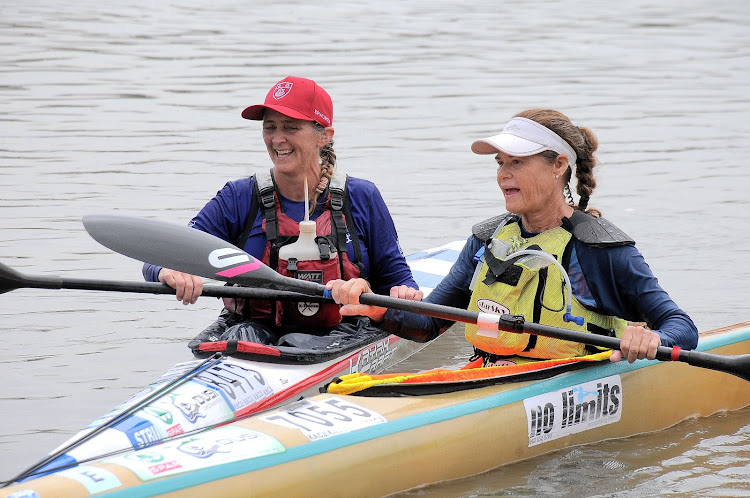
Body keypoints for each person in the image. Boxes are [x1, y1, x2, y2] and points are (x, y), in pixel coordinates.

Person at [327, 109, 699, 365]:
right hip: (487, 374)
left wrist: (652, 340)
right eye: (500, 163)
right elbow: (428, 325)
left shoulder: (598, 250)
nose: (503, 174)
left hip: (568, 383)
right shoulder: (486, 240)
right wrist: (379, 309)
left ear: (558, 165)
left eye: (517, 162)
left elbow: (682, 327)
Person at [143, 76, 418, 349]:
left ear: (325, 135)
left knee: (298, 342)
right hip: (252, 329)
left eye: (291, 128)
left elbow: (399, 281)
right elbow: (160, 256)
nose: (277, 139)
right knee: (244, 335)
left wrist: (402, 294)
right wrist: (166, 270)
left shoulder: (361, 197)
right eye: (270, 128)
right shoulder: (239, 197)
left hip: (342, 330)